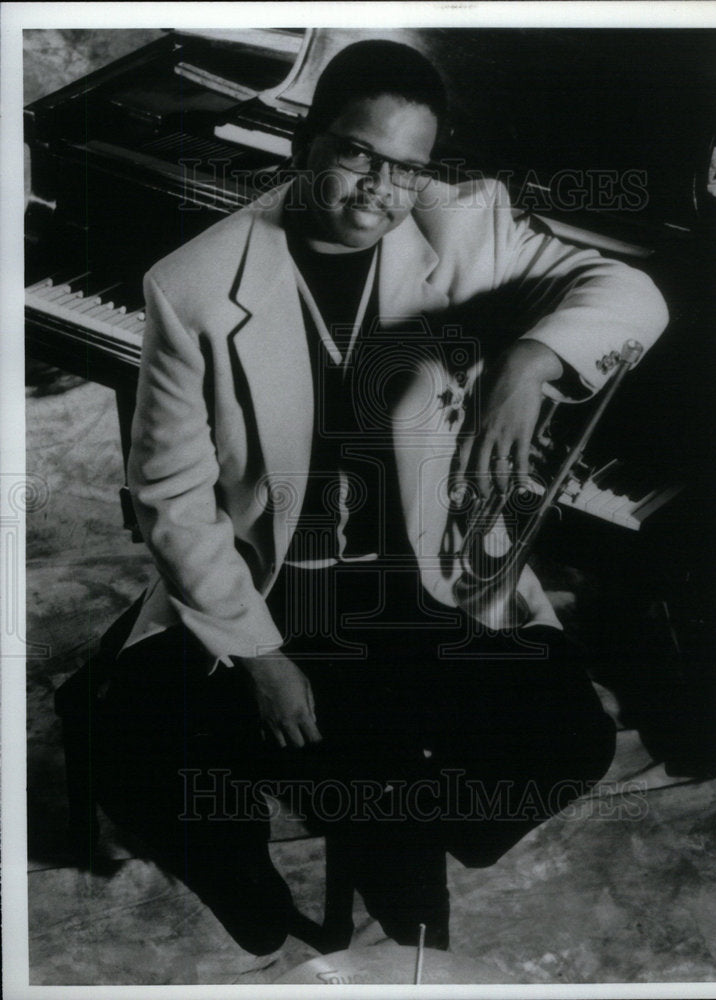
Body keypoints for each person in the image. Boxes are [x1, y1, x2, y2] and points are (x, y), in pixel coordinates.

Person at [89, 40, 669, 956]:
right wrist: (261, 657)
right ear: (305, 146)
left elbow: (629, 291)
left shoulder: (461, 227)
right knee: (171, 746)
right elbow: (172, 494)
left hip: (423, 573)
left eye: (407, 167)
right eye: (358, 154)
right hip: (279, 584)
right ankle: (308, 903)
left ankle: (420, 837)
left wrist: (531, 358)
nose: (380, 189)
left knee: (570, 745)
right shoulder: (195, 286)